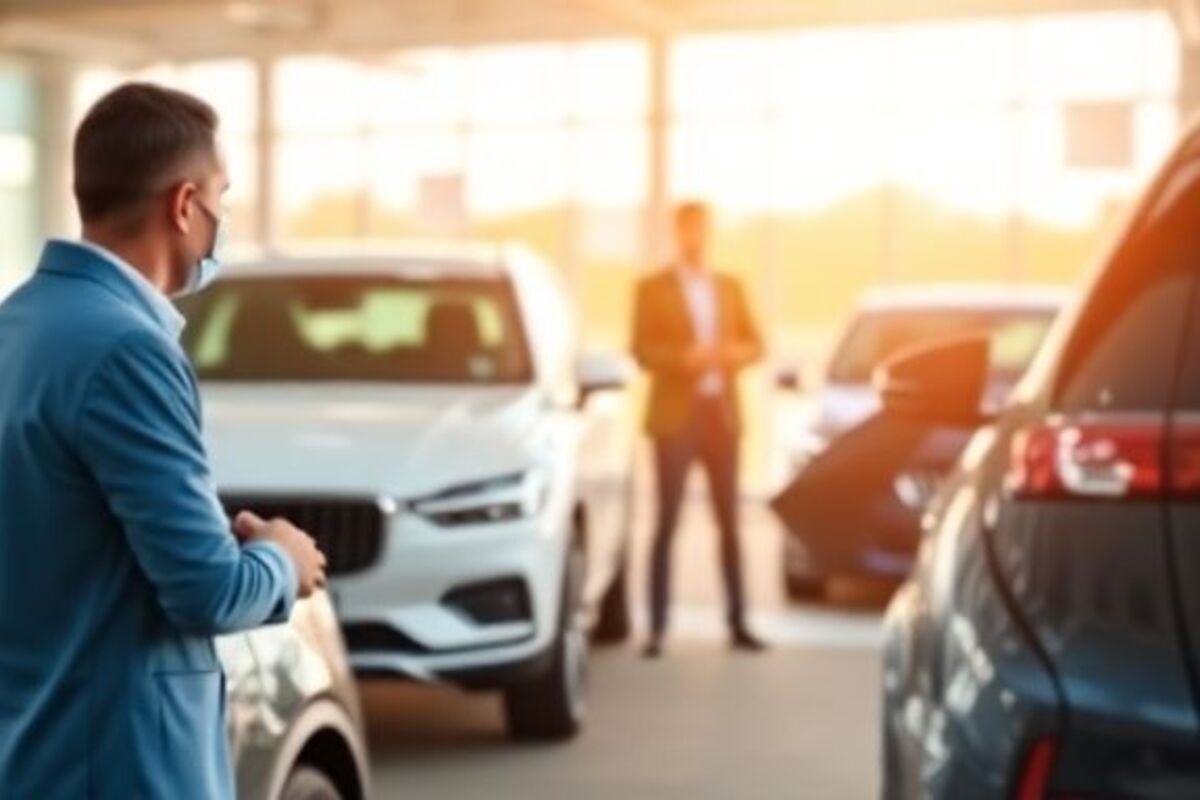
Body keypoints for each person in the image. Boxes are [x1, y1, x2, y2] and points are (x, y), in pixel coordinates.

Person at [0, 83, 327, 799]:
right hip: (120, 768)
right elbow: (207, 591)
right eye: (223, 198)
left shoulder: (17, 326)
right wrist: (282, 559)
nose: (224, 219)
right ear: (185, 205)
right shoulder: (125, 350)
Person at [631, 201, 767, 659]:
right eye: (687, 230)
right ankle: (656, 626)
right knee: (666, 521)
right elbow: (641, 349)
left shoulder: (730, 287)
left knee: (729, 522)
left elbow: (758, 345)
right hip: (675, 417)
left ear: (709, 233)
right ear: (678, 233)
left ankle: (738, 621)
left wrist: (732, 354)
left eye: (702, 230)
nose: (695, 238)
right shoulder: (652, 289)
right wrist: (682, 359)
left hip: (721, 415)